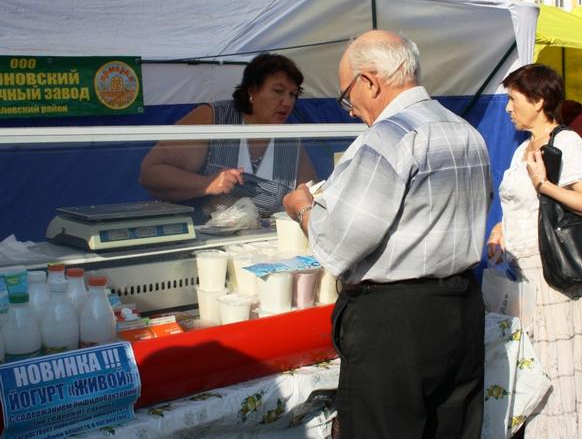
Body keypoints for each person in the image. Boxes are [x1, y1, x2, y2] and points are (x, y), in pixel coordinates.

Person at [283, 30, 491, 438]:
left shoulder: (388, 137)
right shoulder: (465, 131)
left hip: (397, 323)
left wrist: (303, 209)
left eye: (347, 96)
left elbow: (339, 244)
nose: (349, 110)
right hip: (462, 308)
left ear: (370, 81)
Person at [487, 64, 582, 438]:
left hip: (553, 278)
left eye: (513, 99)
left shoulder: (566, 142)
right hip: (520, 277)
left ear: (538, 101)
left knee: (555, 372)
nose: (507, 108)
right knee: (530, 369)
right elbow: (522, 206)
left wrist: (544, 185)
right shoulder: (523, 147)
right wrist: (501, 227)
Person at [139, 53, 315, 222]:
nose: (287, 102)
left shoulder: (289, 140)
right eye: (278, 91)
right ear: (252, 92)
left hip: (257, 248)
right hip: (199, 244)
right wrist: (206, 184)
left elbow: (311, 192)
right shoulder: (213, 118)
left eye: (293, 94)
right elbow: (150, 173)